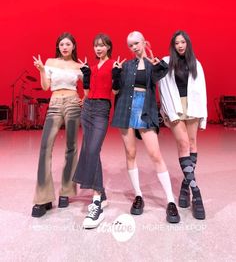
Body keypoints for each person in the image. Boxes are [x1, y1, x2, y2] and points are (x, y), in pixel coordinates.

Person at [112, 31, 180, 224]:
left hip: (145, 110)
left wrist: (153, 57)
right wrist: (116, 76)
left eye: (136, 43)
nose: (133, 47)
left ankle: (170, 201)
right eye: (130, 45)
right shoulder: (125, 65)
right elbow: (116, 90)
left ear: (144, 42)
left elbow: (162, 74)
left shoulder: (153, 65)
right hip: (125, 109)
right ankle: (138, 195)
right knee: (130, 154)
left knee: (155, 154)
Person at [73, 33, 125, 229]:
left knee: (93, 150)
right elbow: (86, 94)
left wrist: (117, 75)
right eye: (96, 46)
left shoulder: (113, 65)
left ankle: (96, 205)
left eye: (102, 45)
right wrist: (86, 75)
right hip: (87, 110)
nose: (98, 48)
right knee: (89, 150)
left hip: (102, 109)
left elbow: (115, 92)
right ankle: (100, 195)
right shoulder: (92, 68)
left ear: (109, 47)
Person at [31, 32, 83, 217]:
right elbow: (46, 86)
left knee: (71, 148)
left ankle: (66, 191)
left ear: (73, 46)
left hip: (72, 103)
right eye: (61, 44)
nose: (65, 47)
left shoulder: (78, 66)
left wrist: (83, 99)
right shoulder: (50, 62)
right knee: (45, 147)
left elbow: (88, 87)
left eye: (68, 44)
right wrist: (41, 70)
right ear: (58, 47)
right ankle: (43, 197)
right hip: (54, 103)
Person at [158, 30, 207, 220]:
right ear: (173, 45)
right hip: (175, 107)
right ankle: (197, 193)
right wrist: (167, 112)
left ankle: (185, 187)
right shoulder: (166, 61)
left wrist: (203, 114)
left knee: (193, 144)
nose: (180, 45)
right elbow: (161, 84)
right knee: (184, 144)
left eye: (183, 42)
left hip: (192, 107)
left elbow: (201, 89)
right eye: (177, 42)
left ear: (188, 44)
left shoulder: (196, 64)